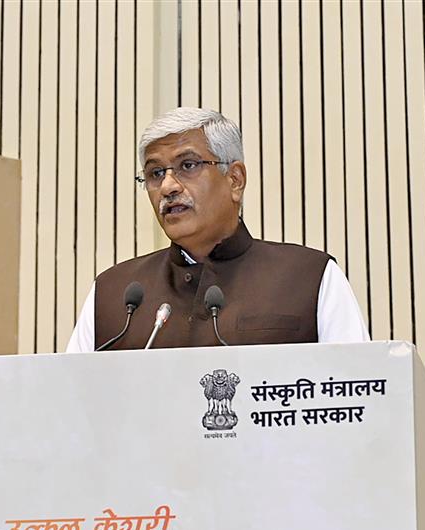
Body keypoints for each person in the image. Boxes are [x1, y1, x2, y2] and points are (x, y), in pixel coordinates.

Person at [66, 107, 368, 352]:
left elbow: (360, 395)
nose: (168, 186)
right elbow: (68, 406)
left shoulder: (309, 277)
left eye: (188, 165)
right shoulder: (115, 293)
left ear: (234, 180)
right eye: (155, 173)